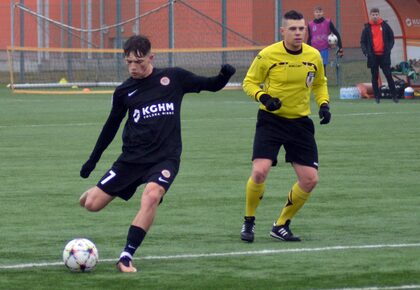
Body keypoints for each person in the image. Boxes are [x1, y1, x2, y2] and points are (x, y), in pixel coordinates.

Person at [79, 34, 236, 272]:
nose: (133, 67)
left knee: (152, 196)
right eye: (129, 62)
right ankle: (94, 191)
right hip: (131, 160)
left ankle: (126, 256)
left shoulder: (173, 78)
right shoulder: (124, 91)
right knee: (91, 204)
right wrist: (93, 160)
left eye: (139, 62)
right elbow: (110, 127)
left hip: (165, 158)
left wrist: (224, 75)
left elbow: (210, 84)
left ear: (151, 57)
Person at [240, 10, 330, 243]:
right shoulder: (268, 55)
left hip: (300, 123)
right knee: (260, 171)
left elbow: (320, 83)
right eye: (293, 29)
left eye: (302, 28)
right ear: (283, 31)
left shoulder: (314, 56)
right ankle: (248, 221)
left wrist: (324, 105)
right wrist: (264, 98)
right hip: (271, 121)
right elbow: (249, 82)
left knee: (310, 179)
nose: (298, 33)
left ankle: (281, 225)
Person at [361, 7, 398, 103]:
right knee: (374, 77)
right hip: (373, 56)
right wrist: (366, 51)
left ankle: (394, 96)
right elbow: (363, 42)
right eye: (373, 15)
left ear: (379, 15)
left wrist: (388, 49)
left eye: (376, 14)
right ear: (370, 15)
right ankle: (377, 98)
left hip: (384, 56)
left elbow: (391, 38)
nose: (375, 16)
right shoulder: (367, 27)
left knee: (388, 75)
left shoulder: (385, 26)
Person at [307, 5, 344, 75]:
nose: (318, 14)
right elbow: (309, 38)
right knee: (313, 68)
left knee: (322, 68)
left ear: (323, 13)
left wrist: (340, 47)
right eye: (316, 12)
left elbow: (337, 34)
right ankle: (314, 84)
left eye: (320, 12)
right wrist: (306, 50)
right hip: (313, 49)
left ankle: (324, 84)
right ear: (314, 13)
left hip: (324, 49)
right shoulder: (310, 24)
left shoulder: (328, 22)